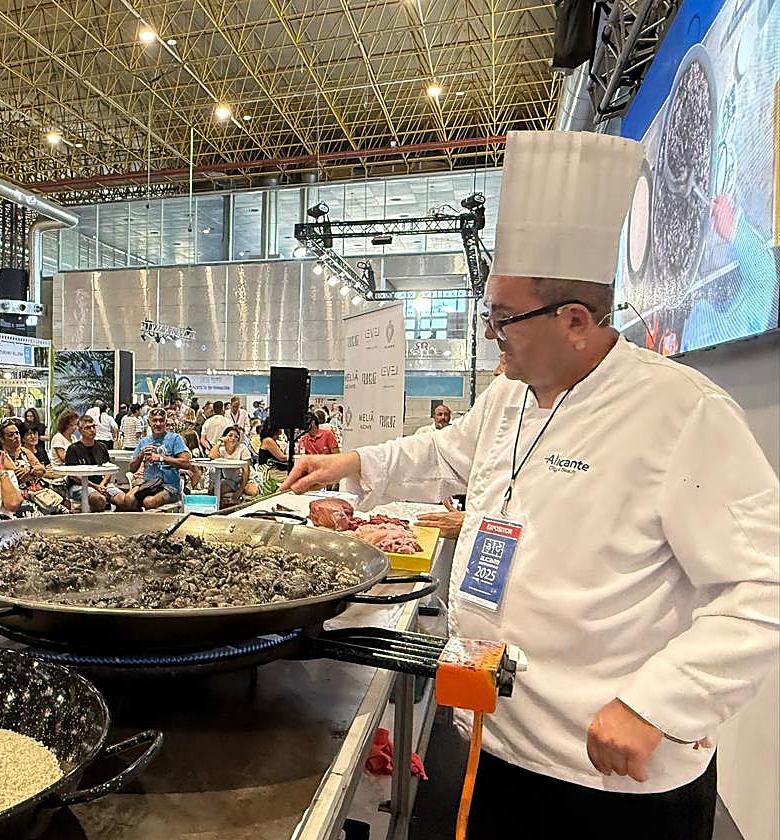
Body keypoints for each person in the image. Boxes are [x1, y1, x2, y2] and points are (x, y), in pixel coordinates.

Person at [280, 130, 780, 840]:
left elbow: (764, 584)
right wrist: (352, 465)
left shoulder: (682, 413)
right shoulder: (509, 397)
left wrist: (661, 704)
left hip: (611, 780)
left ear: (575, 322)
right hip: (496, 740)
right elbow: (445, 450)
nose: (490, 335)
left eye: (502, 319)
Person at [117, 408, 191, 511]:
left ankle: (152, 524)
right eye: (155, 420)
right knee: (128, 499)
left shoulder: (175, 439)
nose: (158, 423)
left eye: (161, 420)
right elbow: (132, 468)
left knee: (149, 501)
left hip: (170, 487)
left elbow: (186, 463)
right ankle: (138, 523)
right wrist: (141, 455)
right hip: (148, 485)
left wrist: (161, 458)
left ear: (165, 422)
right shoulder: (144, 441)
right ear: (149, 422)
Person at [64, 415, 123, 512]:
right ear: (80, 431)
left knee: (124, 500)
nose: (92, 430)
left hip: (101, 483)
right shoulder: (73, 449)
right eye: (87, 428)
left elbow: (108, 469)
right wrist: (95, 486)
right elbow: (73, 476)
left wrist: (102, 484)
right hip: (79, 486)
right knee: (99, 500)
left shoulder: (102, 447)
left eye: (93, 426)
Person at [208, 425, 258, 506]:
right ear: (225, 437)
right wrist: (219, 442)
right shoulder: (221, 449)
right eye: (230, 435)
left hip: (245, 478)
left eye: (236, 437)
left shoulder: (242, 448)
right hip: (230, 480)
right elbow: (211, 456)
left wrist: (239, 492)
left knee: (253, 491)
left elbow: (246, 471)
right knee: (212, 492)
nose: (233, 438)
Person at [0, 418, 46, 489]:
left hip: (35, 489)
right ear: (2, 439)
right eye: (11, 435)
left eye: (17, 433)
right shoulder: (1, 455)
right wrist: (34, 471)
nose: (16, 436)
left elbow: (42, 470)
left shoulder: (25, 451)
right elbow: (17, 476)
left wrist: (29, 470)